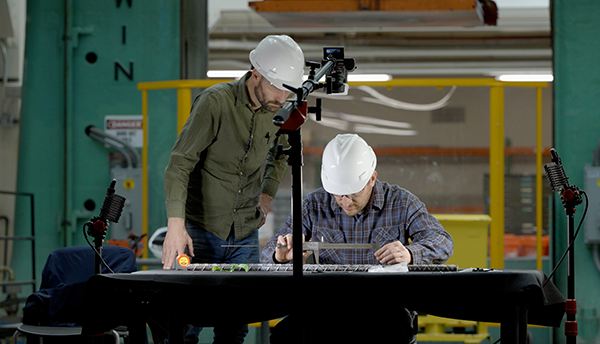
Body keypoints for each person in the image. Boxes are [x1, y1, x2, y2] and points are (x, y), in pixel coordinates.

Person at [159, 35, 305, 344]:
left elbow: (279, 156)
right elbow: (179, 164)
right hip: (201, 229)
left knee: (236, 325)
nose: (282, 98)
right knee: (188, 324)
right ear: (255, 74)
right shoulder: (215, 102)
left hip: (245, 233)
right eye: (277, 87)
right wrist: (176, 225)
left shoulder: (280, 112)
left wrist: (266, 194)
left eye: (287, 90)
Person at [260, 133, 454, 344]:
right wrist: (280, 255)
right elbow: (269, 252)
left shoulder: (401, 202)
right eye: (338, 194)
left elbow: (442, 241)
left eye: (353, 192)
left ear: (372, 178)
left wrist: (409, 253)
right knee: (285, 335)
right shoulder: (313, 205)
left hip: (385, 307)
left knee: (394, 331)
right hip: (326, 307)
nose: (346, 201)